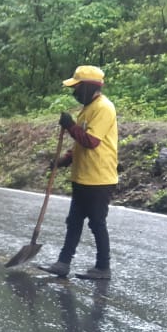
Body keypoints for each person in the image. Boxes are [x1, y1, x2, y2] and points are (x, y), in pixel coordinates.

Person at [41, 64, 118, 280]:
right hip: (83, 177)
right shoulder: (88, 109)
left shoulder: (104, 108)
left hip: (99, 178)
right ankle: (63, 263)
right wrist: (64, 160)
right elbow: (79, 145)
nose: (74, 93)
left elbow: (91, 141)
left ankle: (103, 267)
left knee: (96, 222)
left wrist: (70, 126)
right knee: (73, 221)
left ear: (88, 87)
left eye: (77, 88)